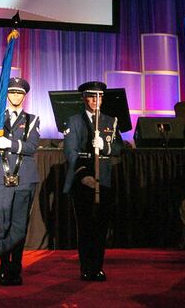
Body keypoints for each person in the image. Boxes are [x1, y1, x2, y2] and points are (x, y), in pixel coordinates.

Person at [0, 77, 40, 286]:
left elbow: (31, 147)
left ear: (24, 96)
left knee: (19, 228)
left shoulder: (32, 120)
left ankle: (16, 268)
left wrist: (9, 143)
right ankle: (4, 267)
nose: (15, 96)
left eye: (19, 93)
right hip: (0, 180)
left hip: (24, 180)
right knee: (3, 226)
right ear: (7, 95)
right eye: (12, 92)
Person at [63, 81, 123, 281]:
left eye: (99, 97)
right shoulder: (74, 121)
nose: (96, 100)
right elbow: (70, 152)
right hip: (83, 180)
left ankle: (98, 266)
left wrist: (104, 147)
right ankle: (86, 267)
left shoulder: (110, 121)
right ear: (84, 98)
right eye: (91, 97)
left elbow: (119, 148)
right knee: (86, 227)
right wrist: (83, 176)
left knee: (101, 227)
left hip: (104, 180)